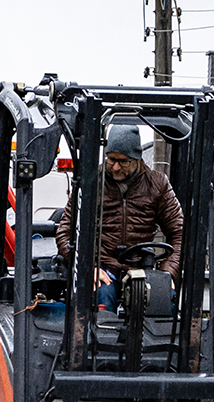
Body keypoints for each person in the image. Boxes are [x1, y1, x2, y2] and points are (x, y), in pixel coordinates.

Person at [55, 123, 183, 311]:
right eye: (110, 159)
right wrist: (86, 266)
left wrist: (168, 273)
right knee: (102, 297)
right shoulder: (91, 181)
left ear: (137, 159)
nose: (115, 167)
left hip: (141, 268)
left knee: (163, 300)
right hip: (103, 266)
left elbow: (179, 233)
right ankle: (96, 341)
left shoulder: (158, 184)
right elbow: (65, 232)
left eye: (122, 161)